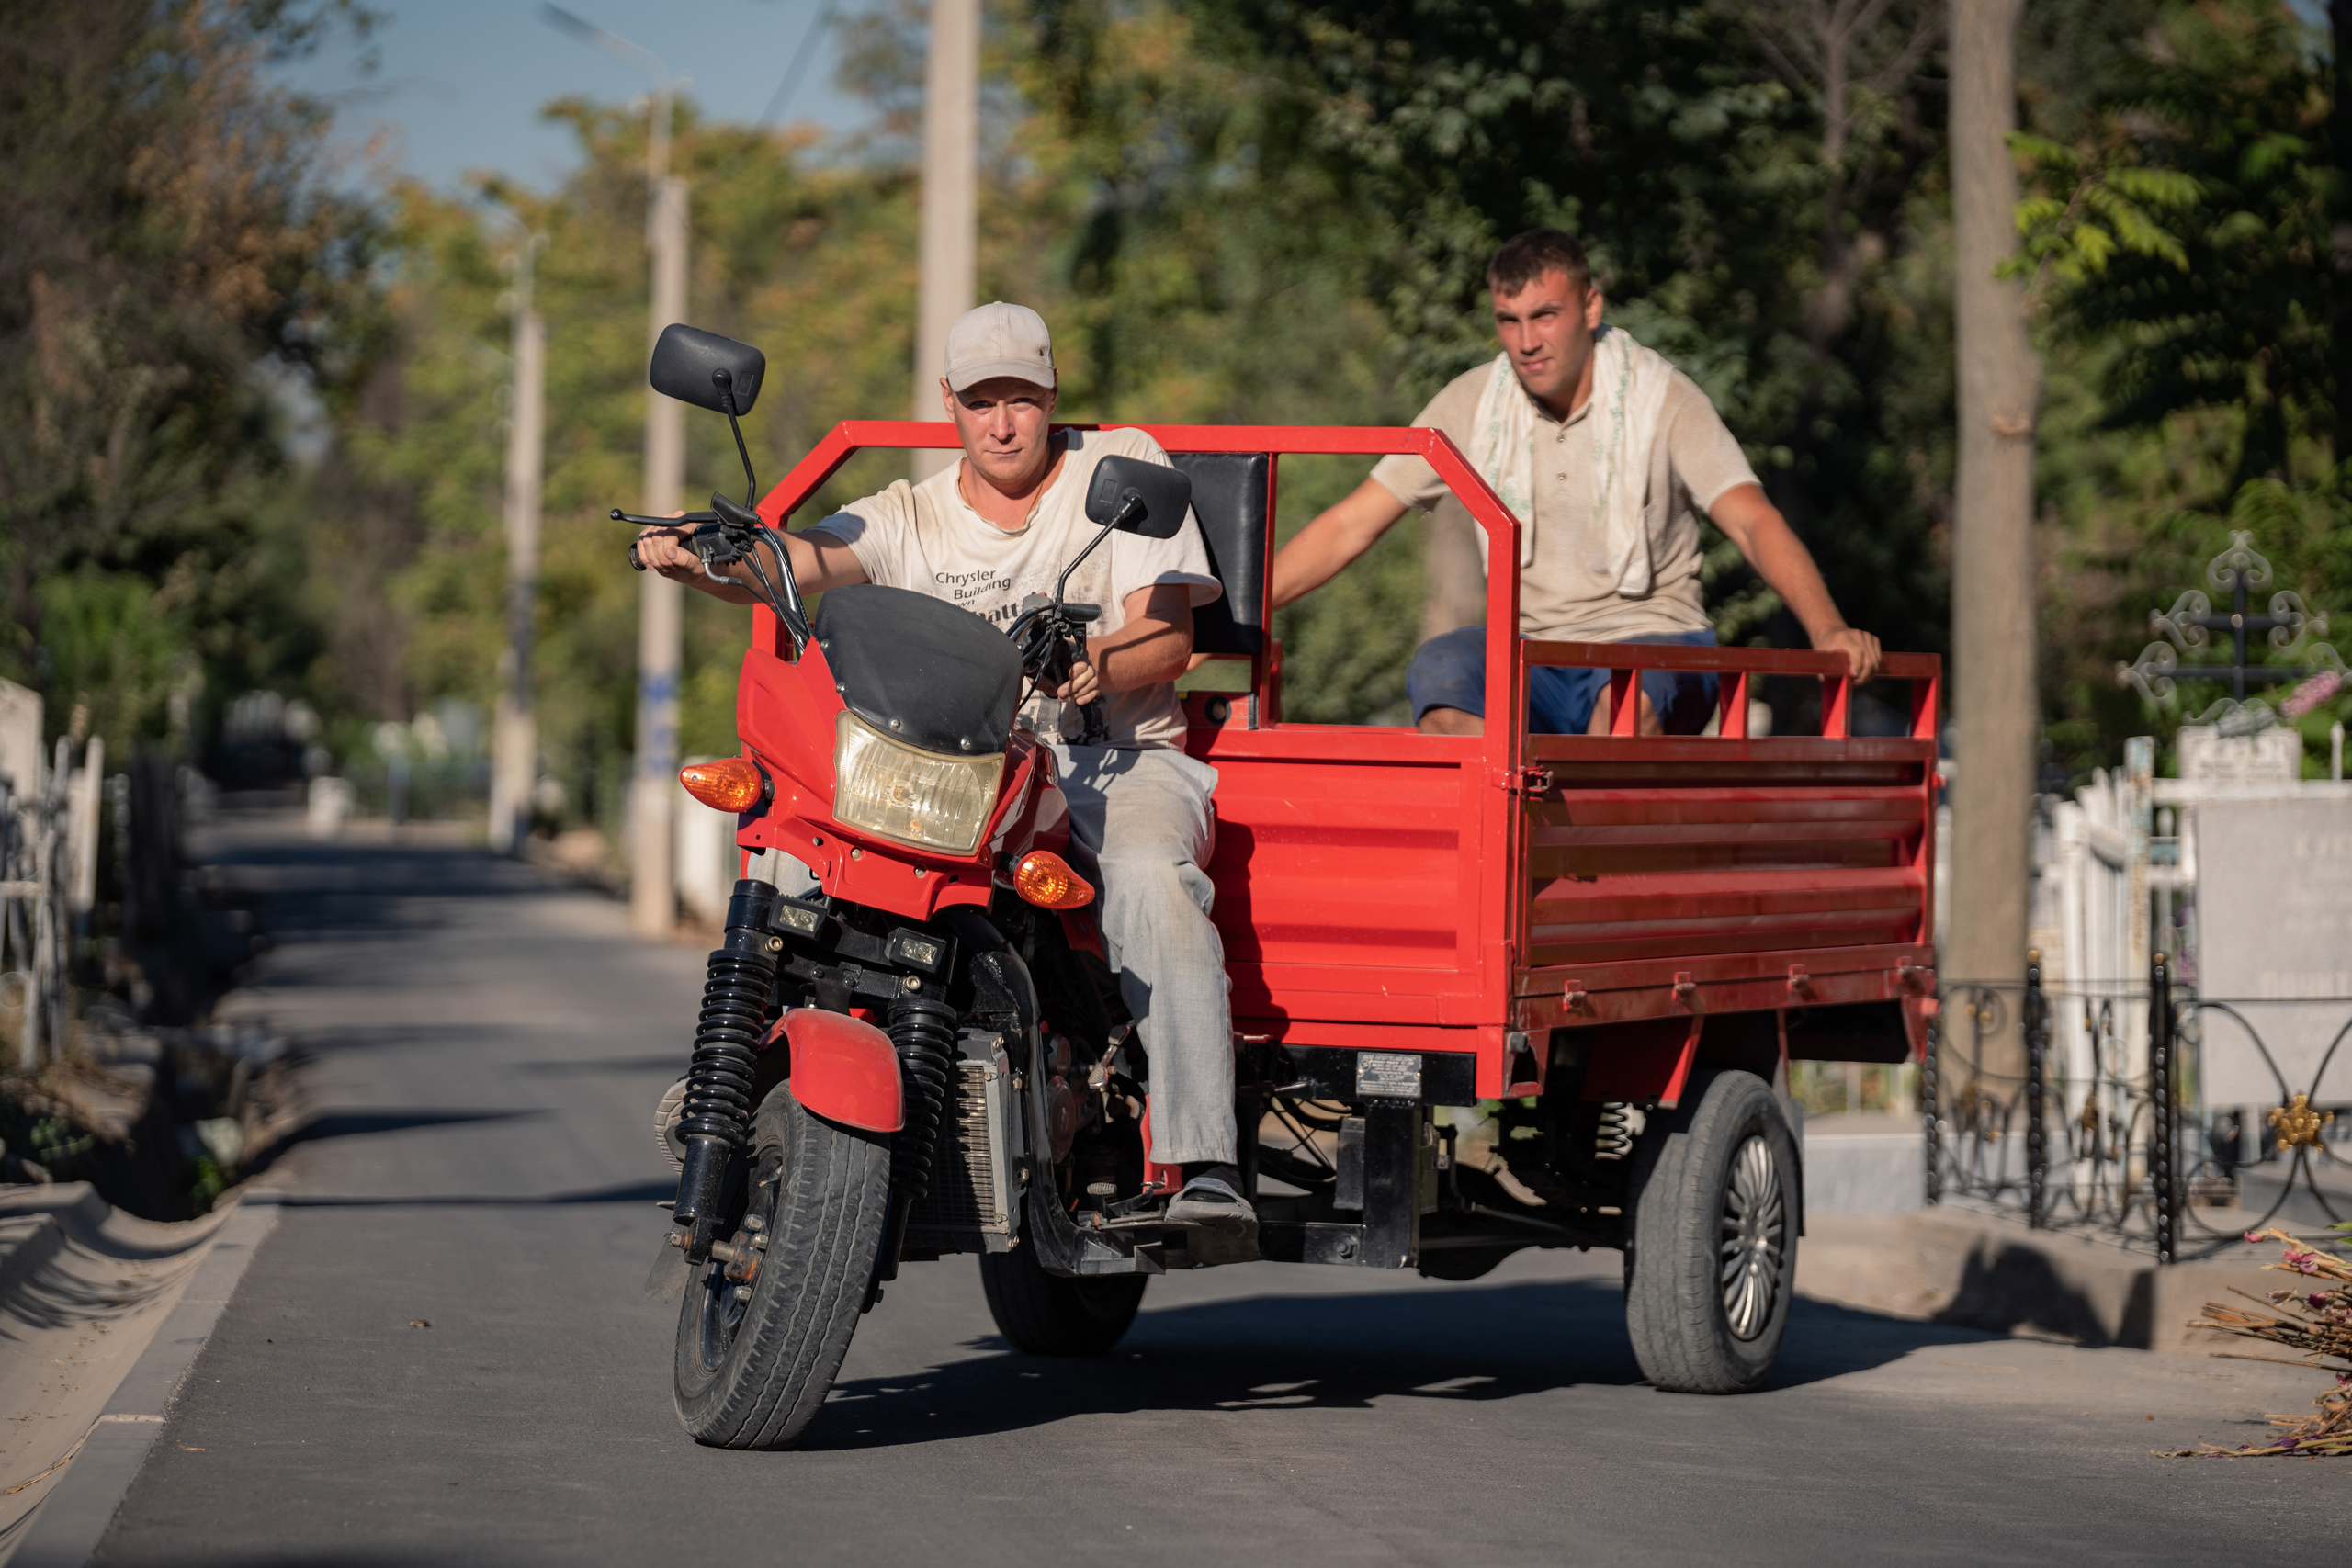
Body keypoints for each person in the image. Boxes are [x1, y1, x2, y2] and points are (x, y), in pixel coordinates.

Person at [635, 301, 1256, 1249]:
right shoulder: (910, 513)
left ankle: (1206, 1164)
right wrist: (701, 559)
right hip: (966, 768)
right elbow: (803, 562)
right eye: (981, 401)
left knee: (1151, 880)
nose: (1002, 422)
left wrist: (1098, 663)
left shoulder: (1118, 468)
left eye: (1022, 398)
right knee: (797, 844)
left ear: (1053, 396)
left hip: (1111, 758)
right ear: (948, 402)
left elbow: (1168, 635)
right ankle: (735, 1081)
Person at [1271, 229, 1880, 735]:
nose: (1527, 342)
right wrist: (1237, 611)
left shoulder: (1661, 396)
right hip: (1533, 652)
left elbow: (1752, 518)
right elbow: (1354, 521)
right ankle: (1499, 857)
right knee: (1443, 669)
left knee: (1625, 708)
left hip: (1656, 643)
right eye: (1508, 322)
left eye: (1544, 316)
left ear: (1591, 307)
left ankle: (1578, 861)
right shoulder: (1473, 402)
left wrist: (1827, 628)